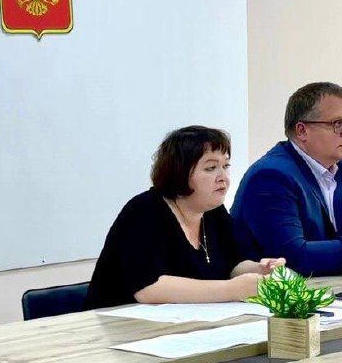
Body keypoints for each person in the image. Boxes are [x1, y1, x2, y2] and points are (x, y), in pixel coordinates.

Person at [85, 126, 284, 309]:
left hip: (184, 324)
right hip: (115, 326)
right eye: (211, 168)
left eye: (226, 166)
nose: (223, 177)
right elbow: (148, 288)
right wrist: (232, 289)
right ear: (180, 172)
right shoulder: (144, 210)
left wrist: (260, 271)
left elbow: (233, 264)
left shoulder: (213, 212)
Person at [231, 82, 342, 276]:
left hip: (340, 287)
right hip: (276, 292)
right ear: (302, 131)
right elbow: (292, 258)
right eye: (338, 124)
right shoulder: (271, 177)